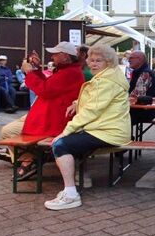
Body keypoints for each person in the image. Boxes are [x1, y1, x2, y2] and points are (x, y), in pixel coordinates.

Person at [45, 45, 131, 210]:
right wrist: (77, 103)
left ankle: (71, 195)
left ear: (109, 62)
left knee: (61, 145)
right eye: (91, 60)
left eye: (99, 61)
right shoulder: (110, 76)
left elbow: (92, 110)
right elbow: (97, 101)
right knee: (67, 143)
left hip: (108, 132)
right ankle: (78, 180)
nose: (93, 64)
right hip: (108, 129)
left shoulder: (106, 81)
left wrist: (66, 131)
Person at [0, 42, 85, 179]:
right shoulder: (68, 70)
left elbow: (44, 89)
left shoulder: (70, 73)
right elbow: (47, 85)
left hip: (49, 121)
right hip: (44, 117)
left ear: (65, 56)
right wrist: (35, 69)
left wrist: (29, 72)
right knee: (8, 131)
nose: (52, 57)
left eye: (55, 54)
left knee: (8, 132)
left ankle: (28, 160)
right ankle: (28, 159)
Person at [128, 51, 155, 126]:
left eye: (131, 58)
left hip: (145, 110)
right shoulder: (136, 71)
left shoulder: (145, 73)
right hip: (137, 109)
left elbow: (135, 96)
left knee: (116, 117)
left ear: (139, 59)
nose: (128, 60)